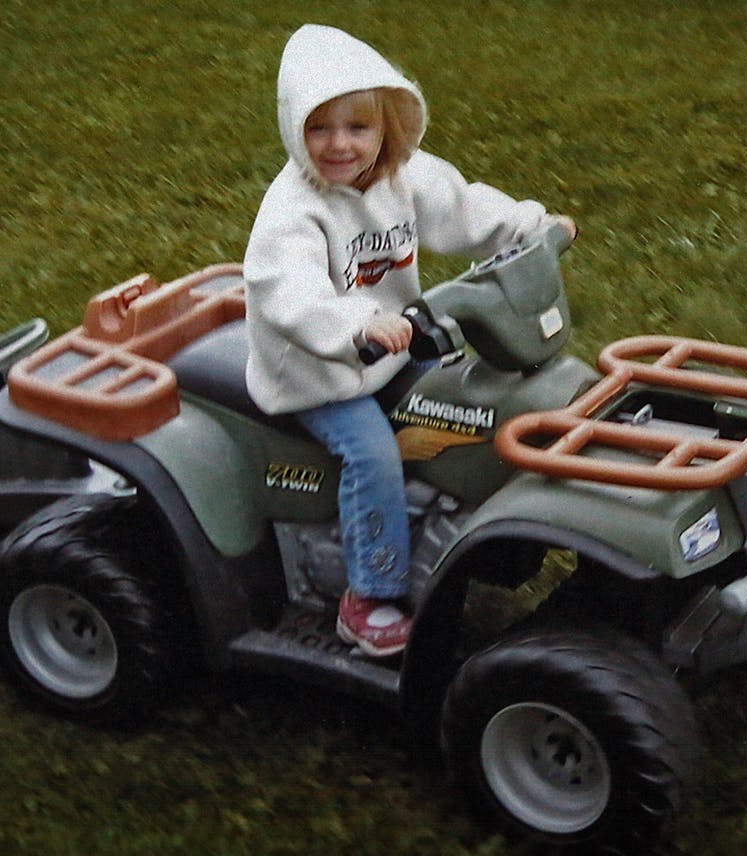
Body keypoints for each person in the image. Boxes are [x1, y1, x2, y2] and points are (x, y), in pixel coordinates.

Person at [243, 24, 575, 657]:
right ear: (294, 132)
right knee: (372, 454)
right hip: (318, 370)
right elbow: (288, 291)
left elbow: (468, 209)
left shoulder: (405, 176)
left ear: (387, 127)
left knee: (473, 402)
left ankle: (455, 525)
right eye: (319, 129)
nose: (339, 145)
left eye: (356, 128)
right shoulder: (293, 211)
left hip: (389, 349)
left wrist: (535, 228)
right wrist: (355, 325)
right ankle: (369, 595)